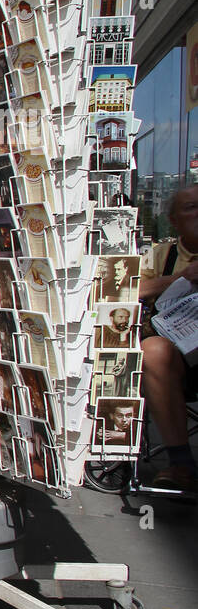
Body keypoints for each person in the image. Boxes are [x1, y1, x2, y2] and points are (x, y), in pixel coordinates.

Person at [139, 184, 198, 491]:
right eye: (191, 208)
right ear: (174, 220)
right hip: (180, 363)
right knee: (153, 351)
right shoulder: (162, 255)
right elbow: (129, 291)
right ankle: (180, 464)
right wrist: (178, 278)